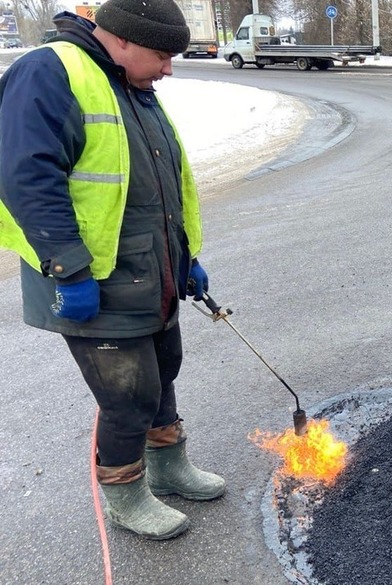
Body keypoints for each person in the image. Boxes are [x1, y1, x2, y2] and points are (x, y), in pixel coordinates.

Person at [0, 0, 224, 540]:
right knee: (127, 396)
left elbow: (157, 185)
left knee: (162, 371)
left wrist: (186, 258)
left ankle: (169, 467)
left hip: (154, 271)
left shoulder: (134, 84)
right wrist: (68, 269)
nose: (170, 67)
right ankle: (125, 493)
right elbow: (26, 179)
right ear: (122, 37)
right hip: (91, 280)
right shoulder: (50, 73)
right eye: (162, 54)